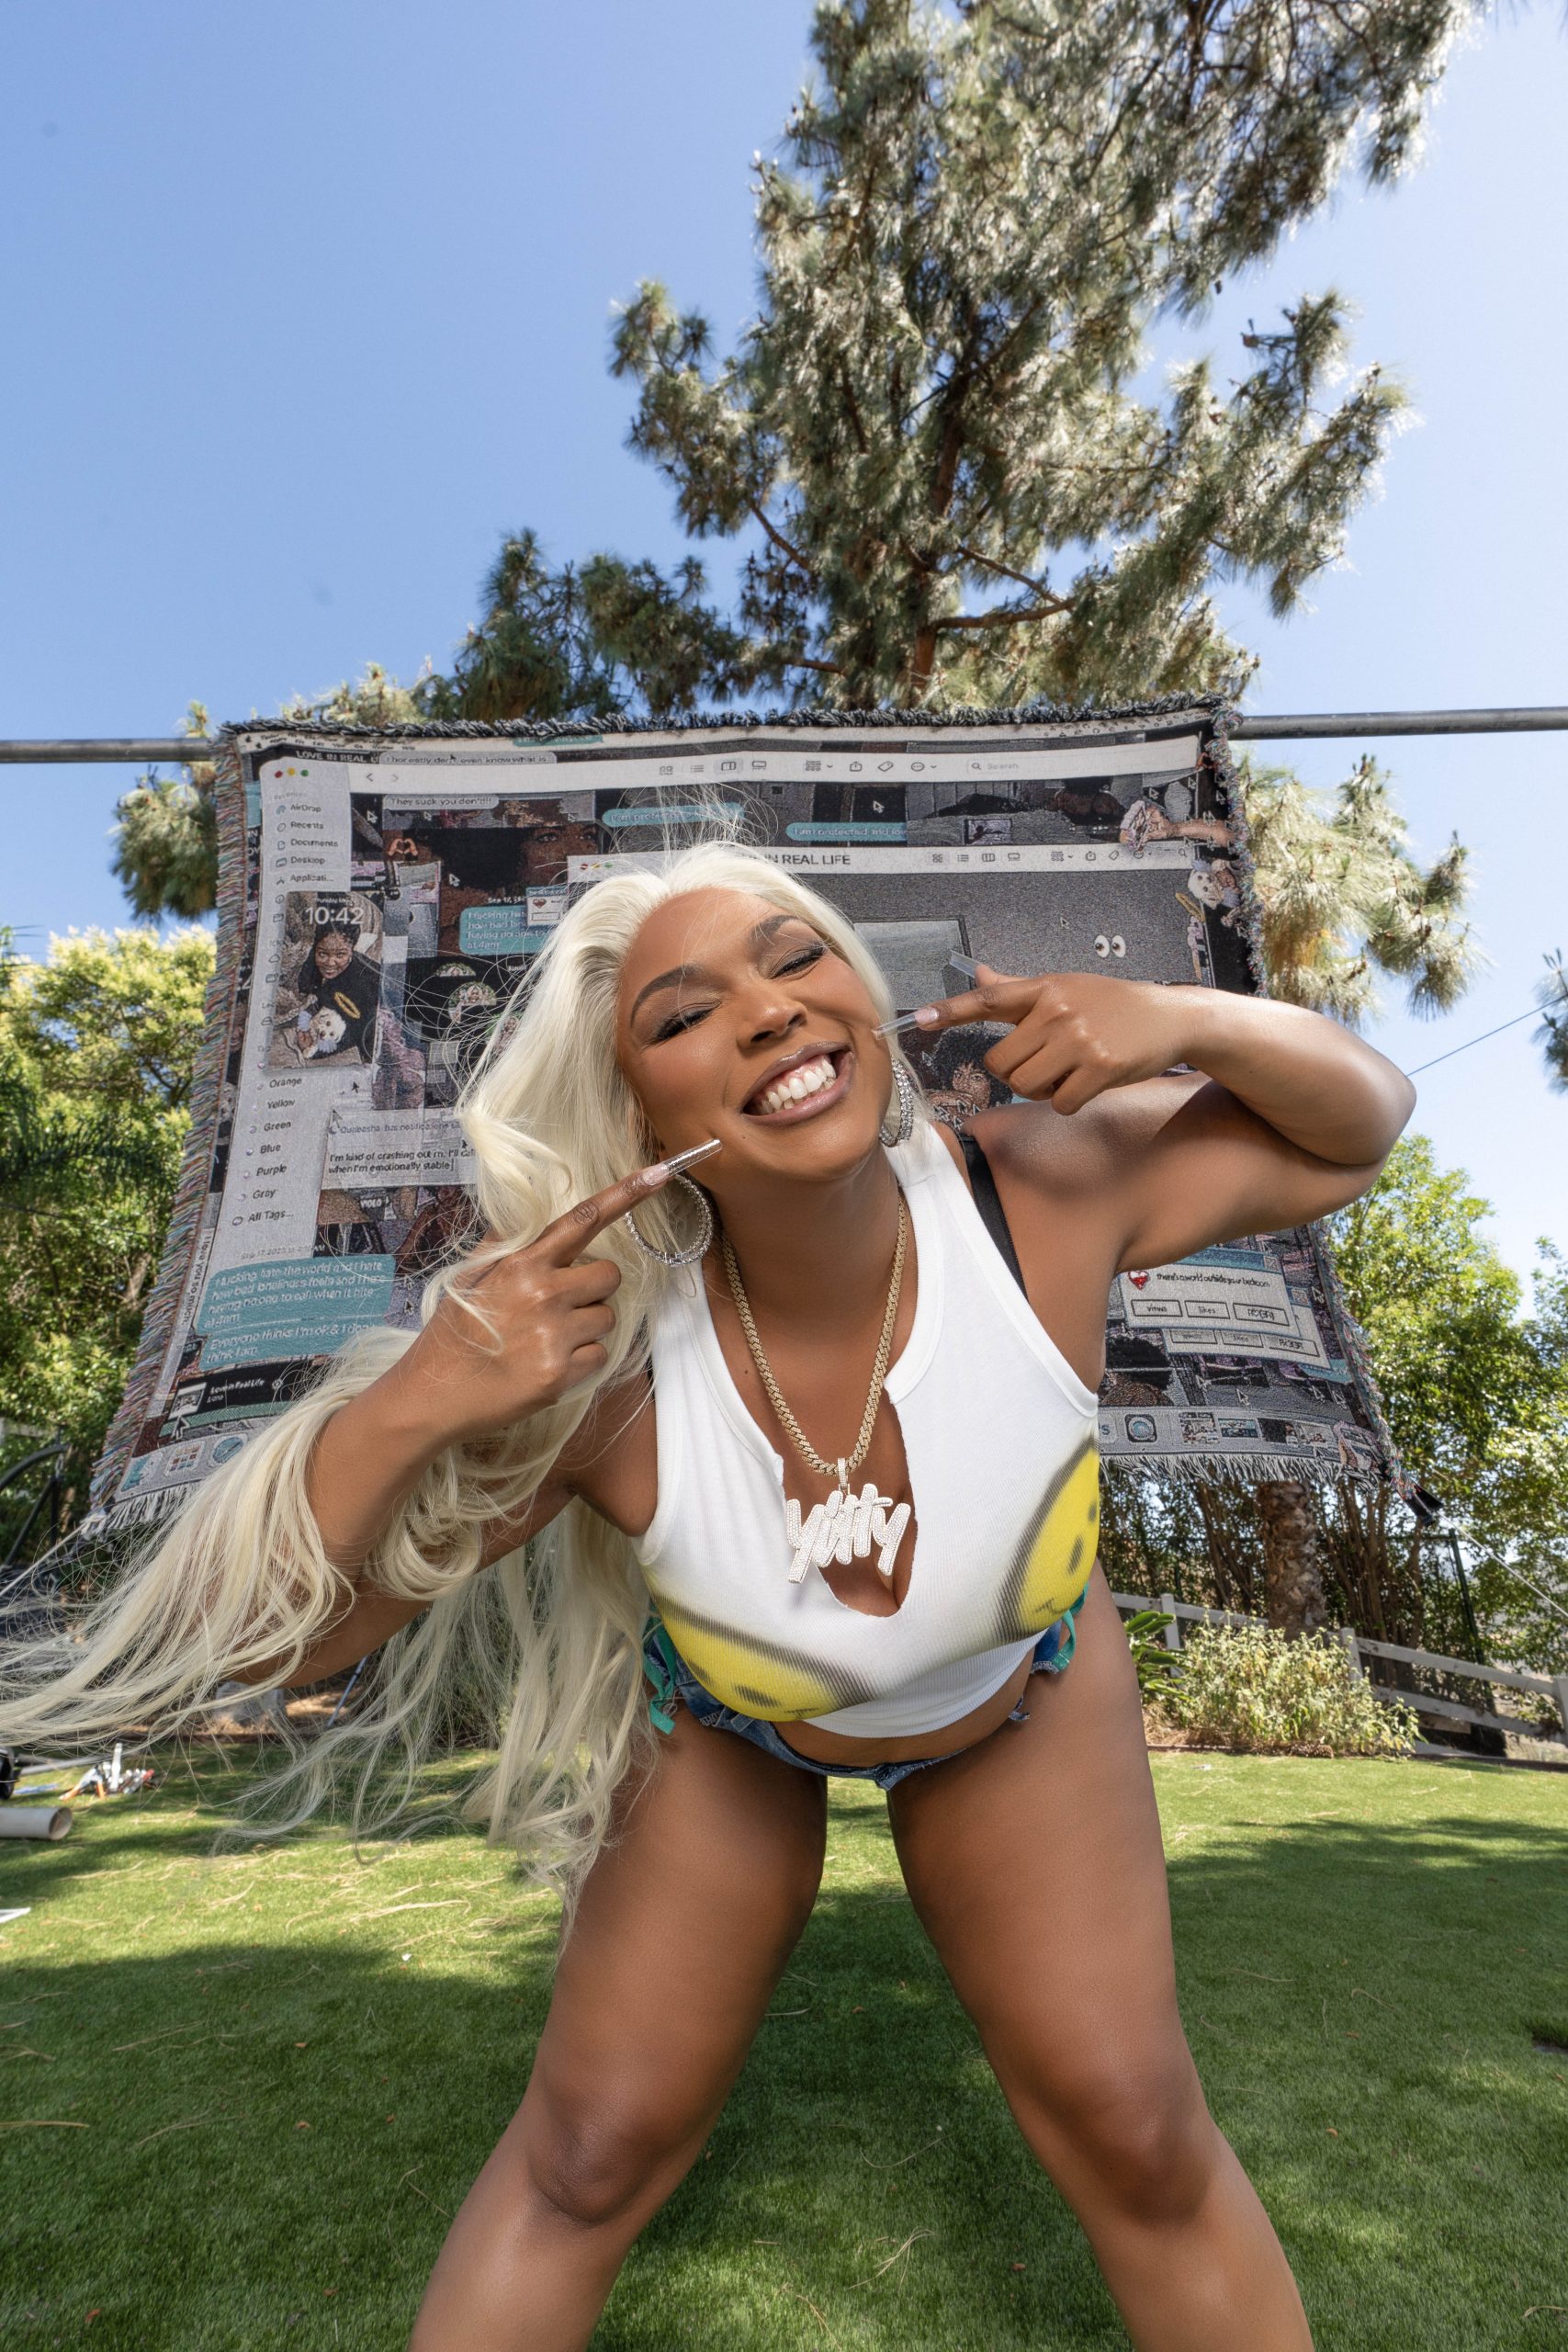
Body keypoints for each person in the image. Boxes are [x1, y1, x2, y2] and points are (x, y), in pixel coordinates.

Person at [3, 842, 1414, 2352]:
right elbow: (279, 1647)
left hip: (1027, 1692)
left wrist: (1188, 1020)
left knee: (1135, 2125)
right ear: (637, 1119)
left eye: (796, 959)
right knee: (589, 2153)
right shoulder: (607, 1369)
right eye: (683, 1016)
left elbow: (1358, 1129)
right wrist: (421, 1396)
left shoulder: (1042, 1186)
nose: (769, 1010)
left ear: (862, 998)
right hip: (730, 1732)